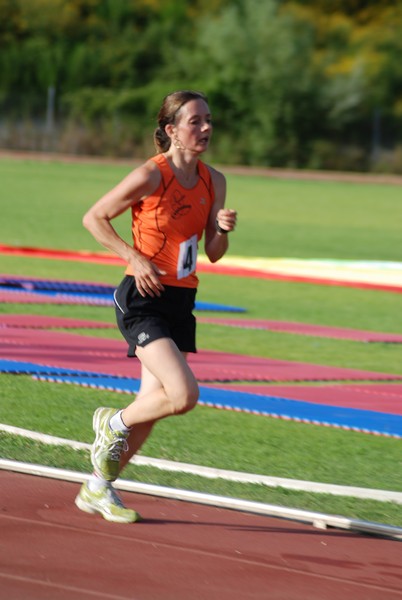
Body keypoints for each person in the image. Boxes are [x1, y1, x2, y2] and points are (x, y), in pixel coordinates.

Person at [75, 90, 237, 523]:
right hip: (142, 297)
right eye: (195, 122)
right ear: (171, 131)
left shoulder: (214, 180)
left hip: (181, 299)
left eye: (208, 120)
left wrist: (222, 230)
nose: (205, 129)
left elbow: (215, 252)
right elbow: (94, 217)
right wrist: (133, 256)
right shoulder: (151, 175)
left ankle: (98, 487)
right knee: (182, 395)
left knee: (153, 403)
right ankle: (111, 423)